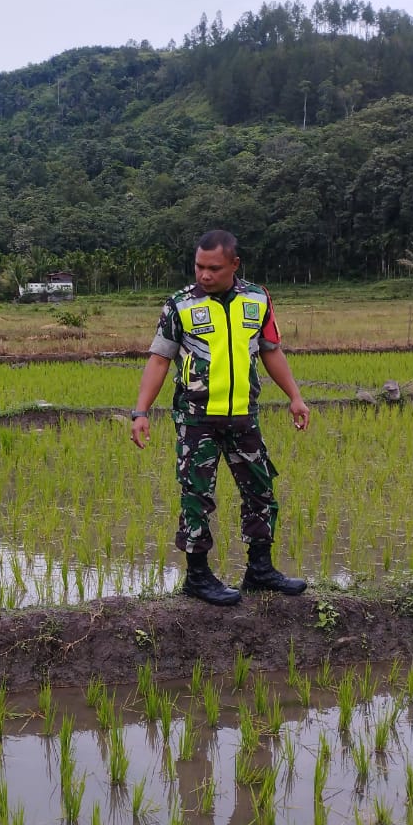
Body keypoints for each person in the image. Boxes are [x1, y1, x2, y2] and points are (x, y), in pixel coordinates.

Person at [131, 230, 310, 606]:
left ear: (234, 265)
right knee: (197, 496)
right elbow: (160, 359)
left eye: (214, 268)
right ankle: (197, 577)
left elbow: (271, 351)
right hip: (198, 419)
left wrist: (295, 397)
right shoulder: (180, 304)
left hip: (244, 416)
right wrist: (141, 412)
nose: (204, 275)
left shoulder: (257, 300)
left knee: (260, 491)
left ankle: (260, 570)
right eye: (199, 266)